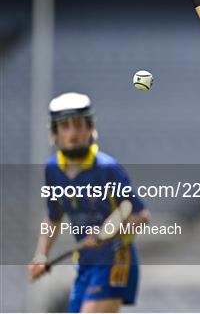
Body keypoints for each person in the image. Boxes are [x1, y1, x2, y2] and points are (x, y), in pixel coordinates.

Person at [28, 92, 150, 313]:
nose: (73, 132)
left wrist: (106, 234)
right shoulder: (53, 169)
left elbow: (140, 216)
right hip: (85, 264)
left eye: (79, 124)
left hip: (115, 260)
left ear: (90, 128)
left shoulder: (107, 169)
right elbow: (53, 217)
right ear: (55, 132)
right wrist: (41, 254)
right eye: (65, 126)